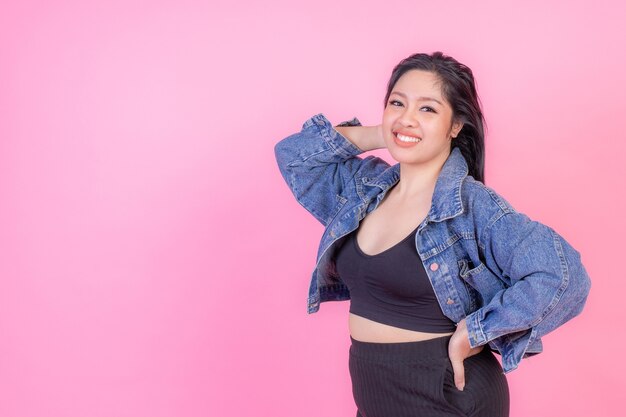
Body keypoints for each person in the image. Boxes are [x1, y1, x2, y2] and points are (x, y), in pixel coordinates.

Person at [273, 51, 591, 417]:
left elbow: (565, 276)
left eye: (427, 110)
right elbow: (294, 156)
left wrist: (477, 331)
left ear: (455, 126)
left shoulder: (473, 206)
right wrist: (387, 131)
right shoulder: (365, 187)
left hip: (445, 395)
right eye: (397, 102)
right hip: (376, 396)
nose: (408, 117)